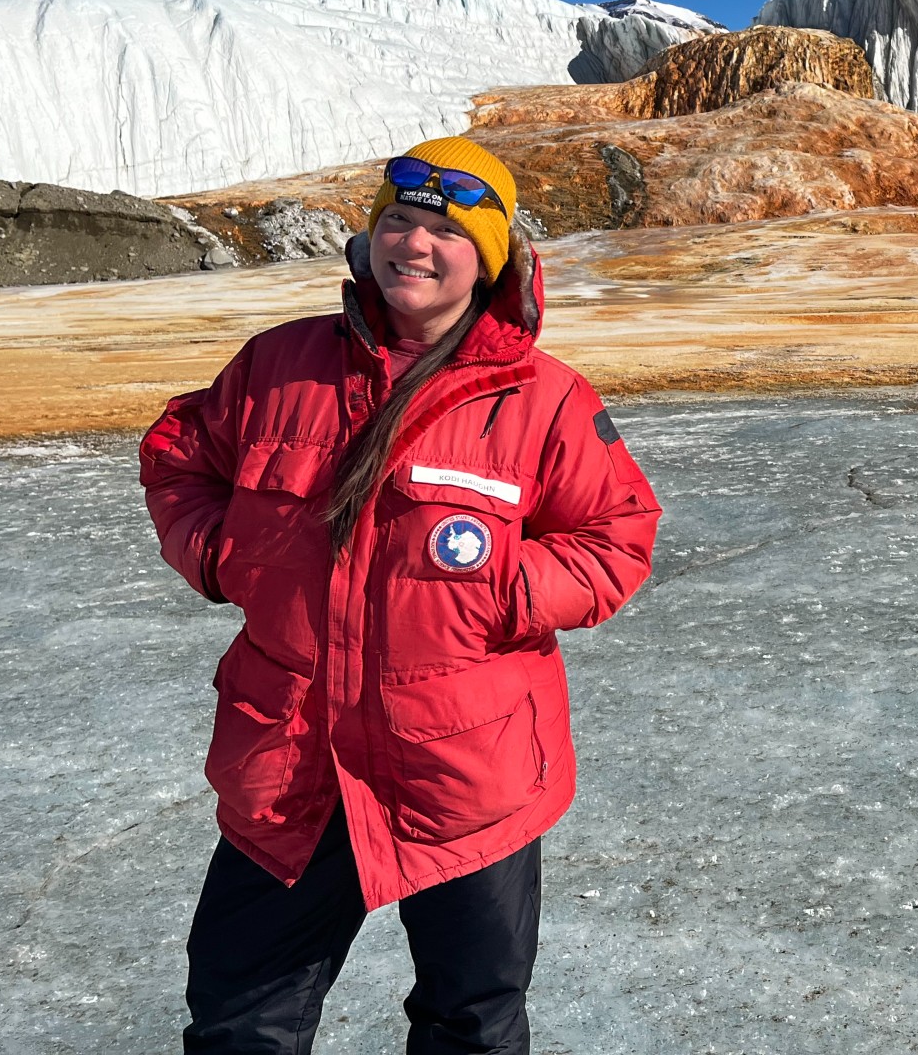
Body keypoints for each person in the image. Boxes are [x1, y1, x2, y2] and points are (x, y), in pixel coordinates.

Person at [141, 137, 661, 1054]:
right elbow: (180, 456)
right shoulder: (277, 367)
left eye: (444, 231)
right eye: (397, 220)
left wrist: (498, 590)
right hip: (290, 760)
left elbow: (617, 536)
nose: (412, 245)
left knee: (470, 1025)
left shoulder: (543, 399)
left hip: (465, 767)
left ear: (490, 257)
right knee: (238, 1020)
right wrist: (221, 555)